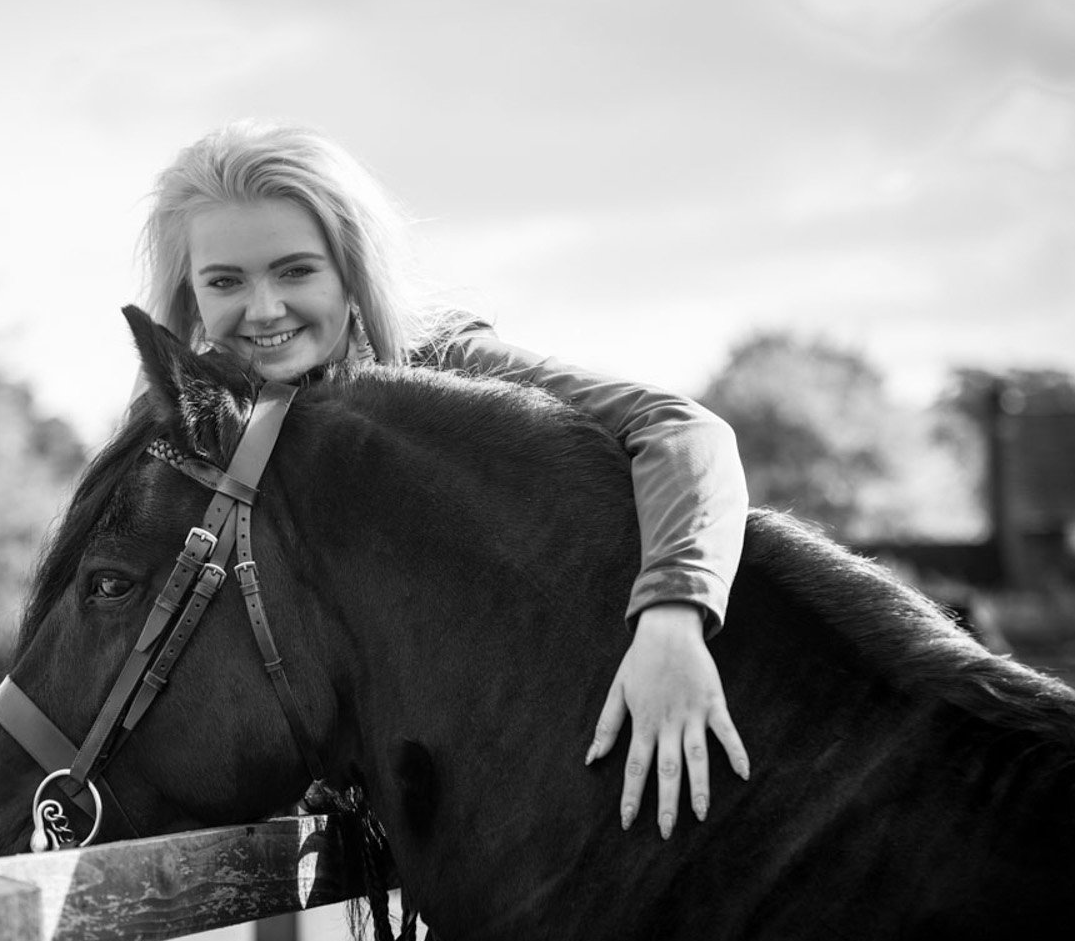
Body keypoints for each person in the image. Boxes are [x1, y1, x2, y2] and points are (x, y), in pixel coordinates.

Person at [135, 119, 750, 841]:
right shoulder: (217, 444)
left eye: (296, 270)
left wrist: (673, 622)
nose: (264, 308)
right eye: (226, 280)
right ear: (191, 296)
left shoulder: (449, 366)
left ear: (350, 270)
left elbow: (681, 430)